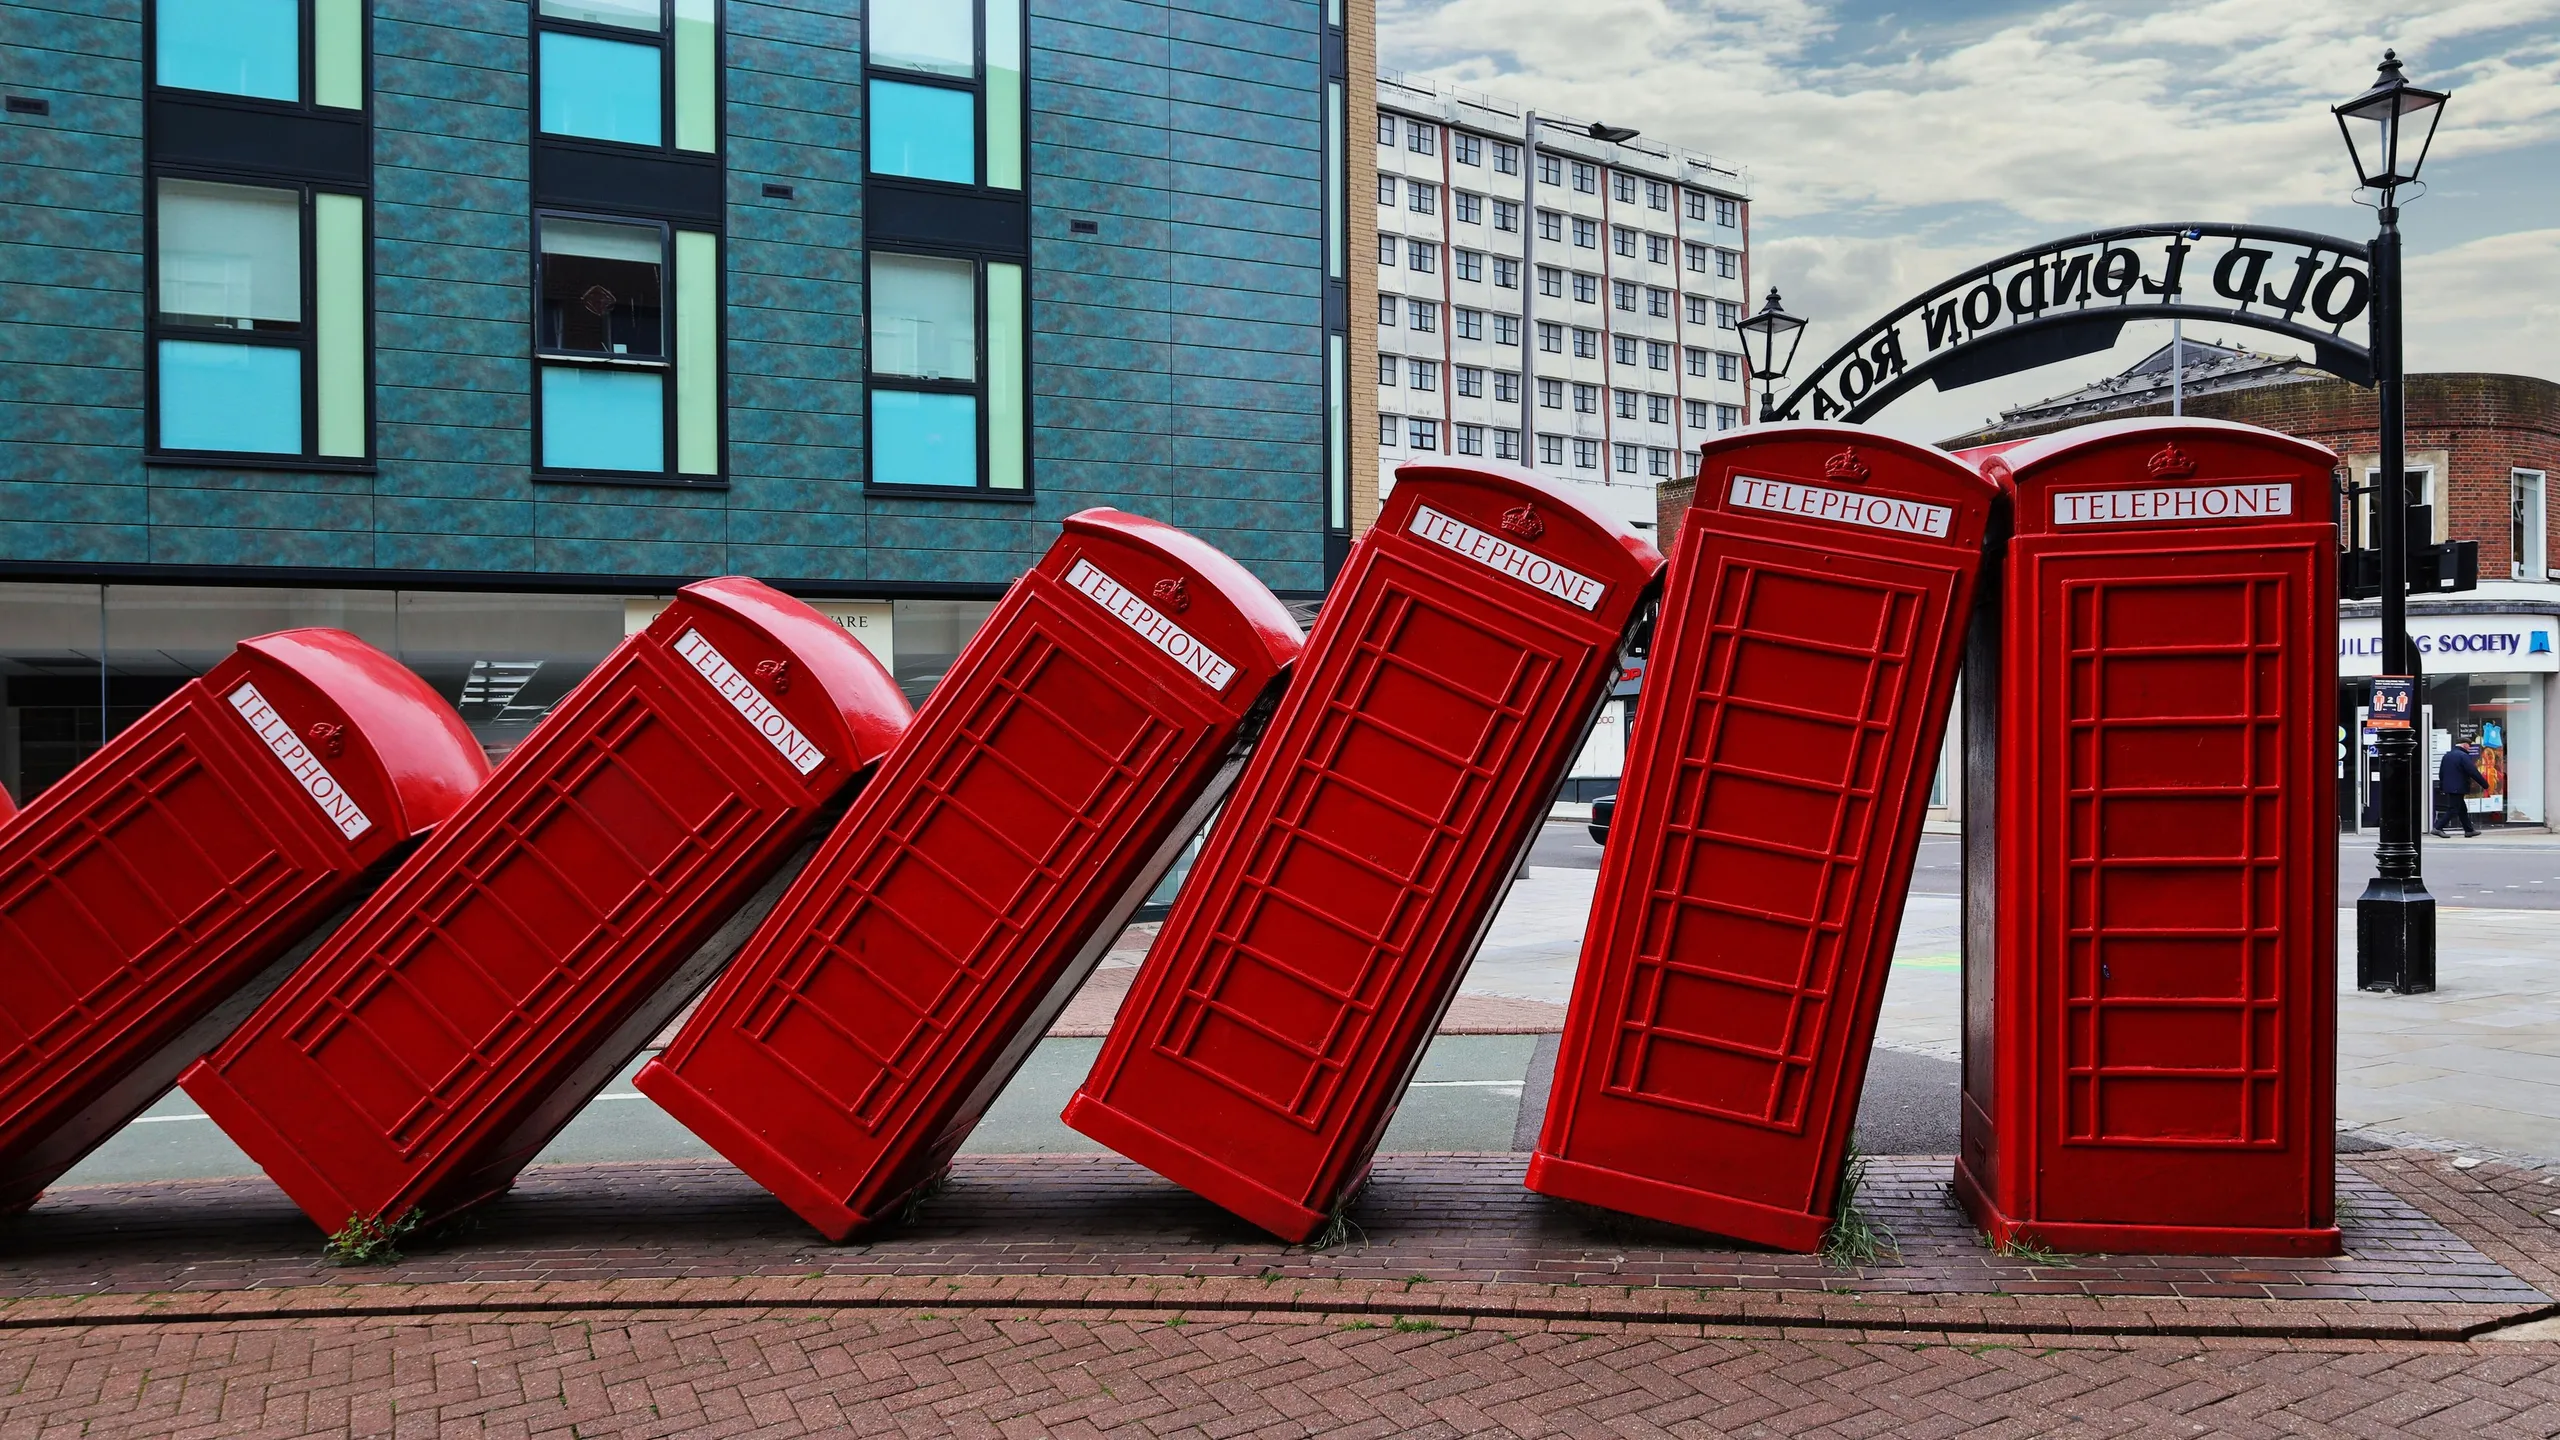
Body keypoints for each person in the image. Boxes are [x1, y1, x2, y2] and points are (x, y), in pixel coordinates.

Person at [2433, 742, 2487, 838]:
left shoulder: (2447, 755)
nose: (2469, 748)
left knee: (2462, 809)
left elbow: (2441, 772)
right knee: (2454, 809)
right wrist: (2484, 784)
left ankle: (2469, 830)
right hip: (2458, 787)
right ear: (2465, 745)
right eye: (2469, 745)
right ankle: (2438, 828)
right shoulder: (2463, 756)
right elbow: (2472, 771)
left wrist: (2442, 786)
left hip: (2450, 787)